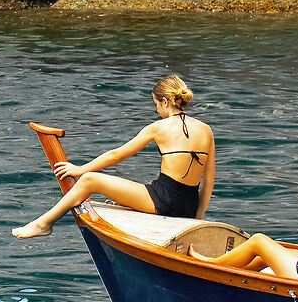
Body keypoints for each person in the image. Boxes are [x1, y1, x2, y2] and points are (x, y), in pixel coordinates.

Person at [14, 75, 214, 238]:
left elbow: (117, 155)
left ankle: (44, 224)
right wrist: (197, 217)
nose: (157, 110)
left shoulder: (158, 128)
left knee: (90, 180)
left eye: (156, 105)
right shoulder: (206, 130)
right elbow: (209, 180)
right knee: (122, 200)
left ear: (164, 101)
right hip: (188, 205)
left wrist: (80, 169)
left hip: (164, 200)